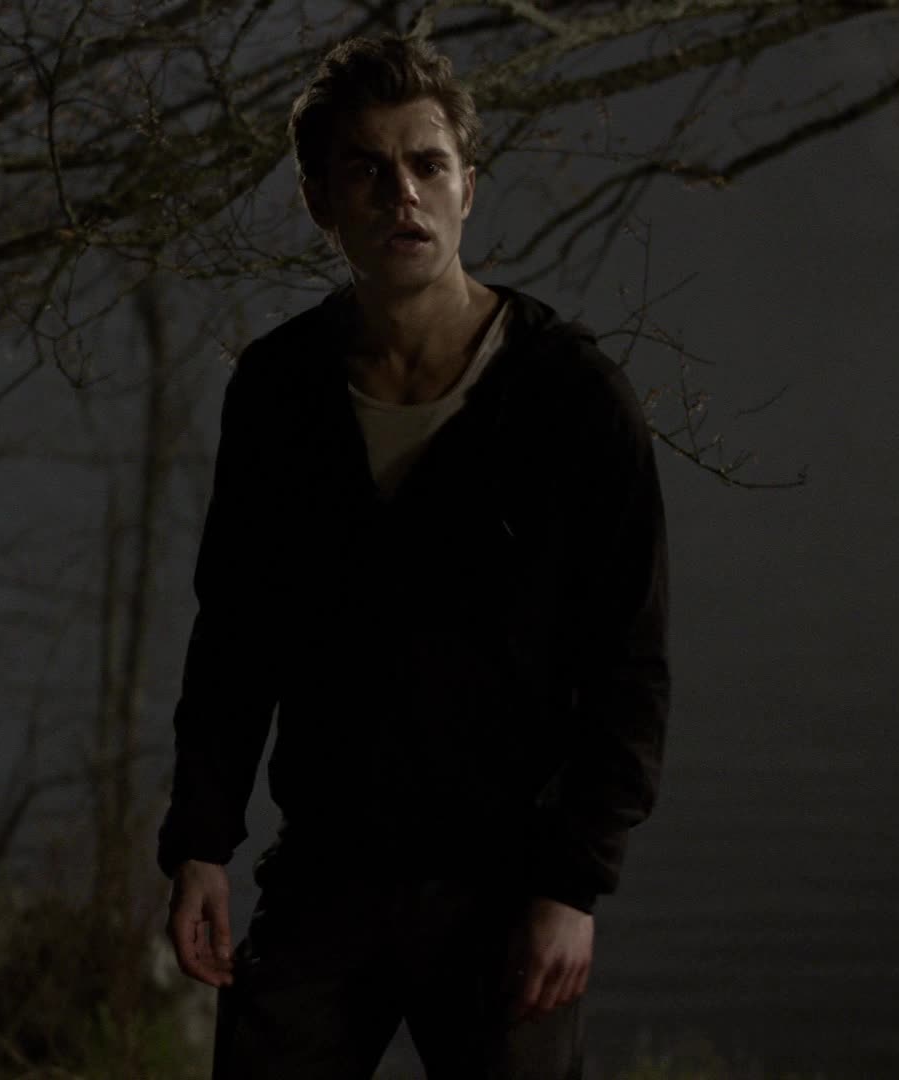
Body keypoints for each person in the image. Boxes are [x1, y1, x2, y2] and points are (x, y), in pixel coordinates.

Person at [154, 31, 671, 1080]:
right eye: (368, 169)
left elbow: (630, 666)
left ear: (467, 186)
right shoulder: (281, 390)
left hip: (507, 881)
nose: (403, 195)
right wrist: (202, 841)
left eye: (428, 165)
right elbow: (237, 635)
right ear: (319, 200)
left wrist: (573, 885)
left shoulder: (570, 396)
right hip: (324, 869)